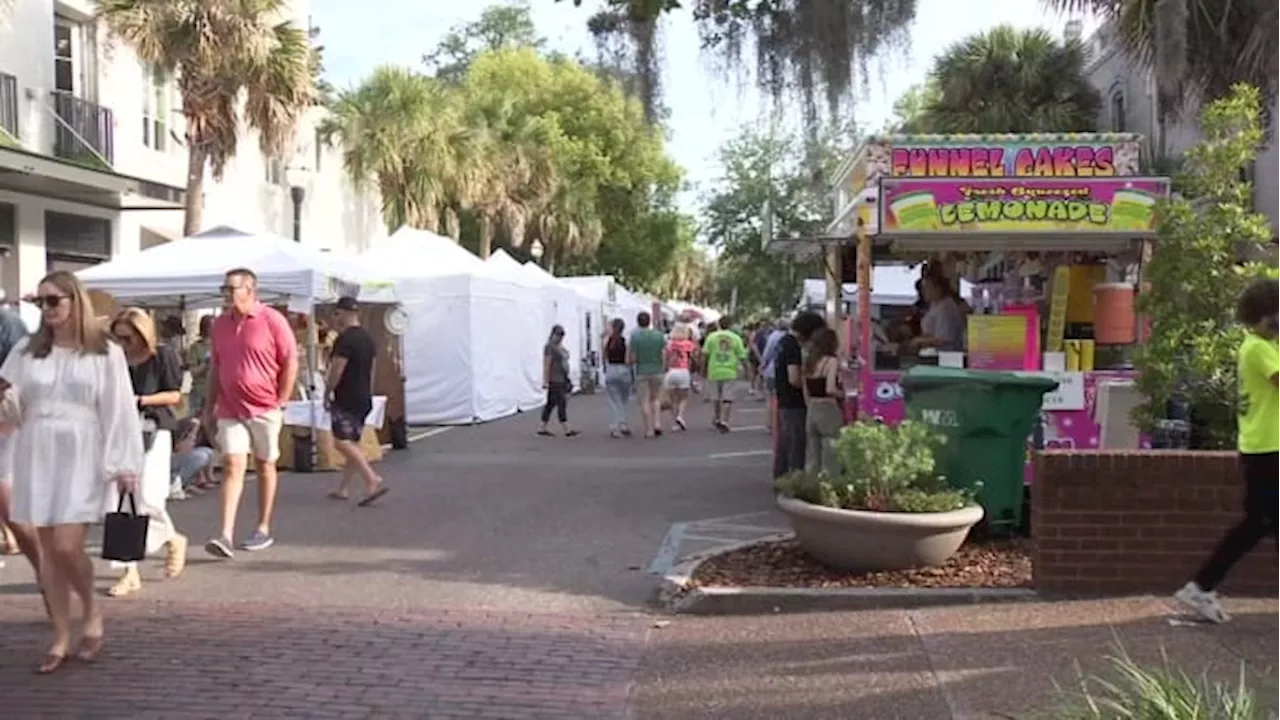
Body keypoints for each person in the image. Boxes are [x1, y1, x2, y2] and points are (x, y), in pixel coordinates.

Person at [0, 271, 143, 673]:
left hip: (83, 451)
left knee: (67, 545)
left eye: (53, 301)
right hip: (36, 447)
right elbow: (12, 404)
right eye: (40, 302)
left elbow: (119, 408)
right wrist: (7, 399)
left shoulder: (103, 350)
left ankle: (92, 613)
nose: (46, 310)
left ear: (74, 301)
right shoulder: (28, 350)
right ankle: (61, 635)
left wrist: (126, 463)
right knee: (47, 548)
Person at [1174, 278, 1280, 624]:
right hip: (1268, 449)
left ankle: (1202, 585)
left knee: (1262, 522)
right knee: (1258, 522)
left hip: (1265, 448)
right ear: (1267, 314)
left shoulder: (1264, 346)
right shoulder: (1257, 349)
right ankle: (1201, 585)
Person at [203, 268, 298, 559]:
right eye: (226, 289)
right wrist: (209, 406)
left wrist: (282, 398)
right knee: (233, 464)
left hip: (264, 406)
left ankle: (263, 526)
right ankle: (225, 534)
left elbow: (290, 359)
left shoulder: (271, 320)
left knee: (265, 464)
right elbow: (216, 367)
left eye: (234, 289)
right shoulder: (220, 324)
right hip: (231, 407)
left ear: (250, 290)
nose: (229, 294)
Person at [106, 307, 189, 598]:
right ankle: (129, 571)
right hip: (120, 431)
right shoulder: (113, 358)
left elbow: (175, 394)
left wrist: (140, 399)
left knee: (149, 498)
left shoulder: (161, 356)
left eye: (128, 338)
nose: (123, 344)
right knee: (121, 502)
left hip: (153, 428)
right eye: (118, 338)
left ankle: (171, 537)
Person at [324, 297, 389, 505]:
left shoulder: (344, 341)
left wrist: (327, 391)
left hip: (346, 396)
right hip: (363, 396)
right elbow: (372, 369)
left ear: (342, 314)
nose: (335, 319)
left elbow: (336, 370)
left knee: (341, 441)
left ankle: (371, 478)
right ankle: (343, 488)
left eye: (336, 314)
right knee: (352, 442)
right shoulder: (368, 339)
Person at [0, 304, 38, 576]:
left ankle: (45, 568)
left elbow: (18, 378)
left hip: (4, 420)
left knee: (8, 502)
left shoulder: (9, 324)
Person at [774, 312, 827, 478]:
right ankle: (794, 478)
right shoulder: (793, 347)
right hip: (795, 402)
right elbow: (794, 378)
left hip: (784, 400)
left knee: (785, 443)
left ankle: (781, 477)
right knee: (797, 444)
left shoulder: (783, 342)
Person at [803, 327, 844, 474]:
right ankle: (829, 486)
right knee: (830, 452)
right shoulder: (831, 361)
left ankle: (810, 486)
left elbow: (805, 390)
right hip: (828, 407)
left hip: (812, 408)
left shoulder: (809, 361)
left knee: (813, 454)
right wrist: (843, 394)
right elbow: (830, 389)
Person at [704, 316, 749, 433]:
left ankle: (717, 417)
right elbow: (742, 356)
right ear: (731, 325)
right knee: (727, 398)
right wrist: (747, 369)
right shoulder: (736, 338)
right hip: (730, 371)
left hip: (714, 370)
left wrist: (702, 369)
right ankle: (725, 420)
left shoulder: (712, 337)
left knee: (716, 397)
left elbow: (704, 354)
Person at [628, 311, 666, 438]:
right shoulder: (659, 335)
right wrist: (663, 367)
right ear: (649, 321)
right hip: (657, 370)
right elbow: (663, 354)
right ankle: (657, 423)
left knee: (644, 400)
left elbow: (632, 358)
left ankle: (648, 429)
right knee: (655, 398)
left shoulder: (635, 336)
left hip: (642, 371)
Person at [537, 324, 580, 437]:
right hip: (555, 379)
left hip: (562, 377)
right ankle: (566, 428)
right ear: (552, 334)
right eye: (558, 335)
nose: (559, 337)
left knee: (551, 403)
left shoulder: (559, 347)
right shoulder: (549, 347)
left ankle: (542, 427)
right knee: (561, 402)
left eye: (561, 335)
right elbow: (546, 364)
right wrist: (545, 380)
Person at [908, 273, 967, 354]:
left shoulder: (946, 307)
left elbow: (945, 338)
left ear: (938, 289)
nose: (923, 292)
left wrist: (919, 341)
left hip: (945, 355)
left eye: (927, 288)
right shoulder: (935, 304)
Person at [602, 318, 634, 438]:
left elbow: (604, 356)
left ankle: (615, 425)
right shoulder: (625, 341)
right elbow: (627, 359)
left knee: (613, 400)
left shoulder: (608, 341)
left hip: (611, 369)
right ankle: (623, 423)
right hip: (623, 370)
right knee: (624, 399)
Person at [664, 323, 698, 431]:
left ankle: (675, 423)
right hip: (683, 371)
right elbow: (694, 356)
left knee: (673, 400)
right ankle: (680, 415)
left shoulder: (669, 344)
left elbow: (665, 358)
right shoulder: (689, 344)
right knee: (684, 397)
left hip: (671, 371)